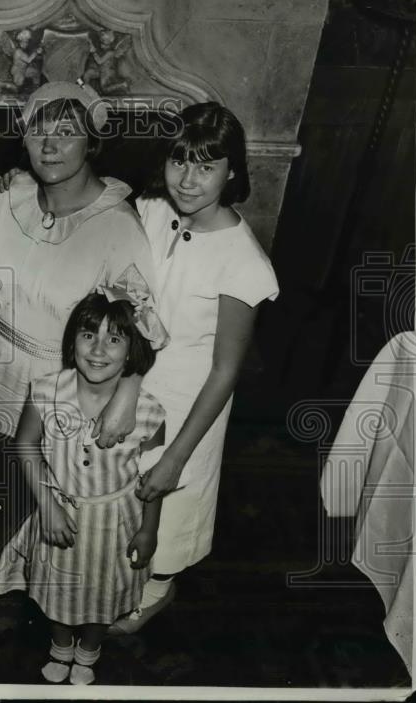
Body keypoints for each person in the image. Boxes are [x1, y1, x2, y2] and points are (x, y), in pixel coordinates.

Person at [107, 102, 279, 634]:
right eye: (179, 160)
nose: (188, 178)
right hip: (131, 383)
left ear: (232, 172)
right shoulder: (155, 209)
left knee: (169, 502)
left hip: (189, 403)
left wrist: (178, 456)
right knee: (119, 496)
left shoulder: (243, 261)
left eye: (206, 165)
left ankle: (159, 587)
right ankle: (117, 570)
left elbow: (227, 370)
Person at [0, 81, 167, 439]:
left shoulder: (117, 227)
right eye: (38, 132)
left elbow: (141, 325)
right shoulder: (9, 196)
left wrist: (126, 397)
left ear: (91, 142)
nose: (49, 146)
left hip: (59, 393)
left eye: (66, 132)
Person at [0, 291, 166, 685]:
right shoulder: (45, 390)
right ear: (72, 341)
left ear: (131, 350)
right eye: (89, 335)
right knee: (57, 589)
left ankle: (88, 650)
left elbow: (152, 477)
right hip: (57, 512)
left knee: (102, 596)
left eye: (114, 339)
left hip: (116, 524)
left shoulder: (150, 411)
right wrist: (47, 504)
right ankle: (60, 647)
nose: (99, 349)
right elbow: (25, 444)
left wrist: (150, 528)